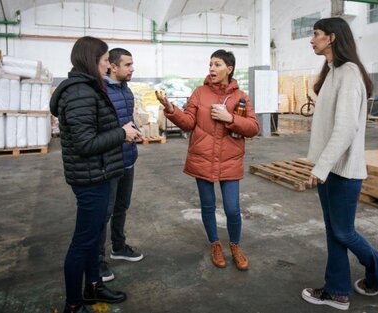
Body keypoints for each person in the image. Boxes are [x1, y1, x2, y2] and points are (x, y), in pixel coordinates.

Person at [301, 18, 378, 311]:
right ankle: (337, 291)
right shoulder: (333, 72)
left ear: (331, 38)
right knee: (335, 231)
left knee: (343, 232)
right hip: (330, 168)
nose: (312, 40)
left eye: (316, 34)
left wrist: (321, 168)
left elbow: (346, 129)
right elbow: (334, 120)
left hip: (341, 170)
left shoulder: (350, 73)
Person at [50, 36, 141, 313]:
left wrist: (120, 134)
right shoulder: (80, 92)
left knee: (93, 235)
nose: (107, 66)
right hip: (91, 177)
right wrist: (122, 133)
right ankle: (74, 303)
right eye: (104, 61)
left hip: (100, 172)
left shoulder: (90, 88)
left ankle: (93, 286)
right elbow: (85, 143)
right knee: (84, 241)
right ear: (93, 61)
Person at [155, 49, 260, 271]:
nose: (212, 68)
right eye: (210, 64)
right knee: (208, 205)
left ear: (229, 69)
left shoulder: (241, 97)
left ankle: (235, 245)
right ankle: (215, 244)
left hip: (229, 159)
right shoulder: (199, 93)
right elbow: (187, 122)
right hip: (202, 157)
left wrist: (230, 118)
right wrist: (169, 108)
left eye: (217, 64)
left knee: (232, 209)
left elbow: (253, 128)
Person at [99, 48, 144, 283]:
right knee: (104, 212)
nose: (132, 69)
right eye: (127, 65)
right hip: (110, 162)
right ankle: (97, 260)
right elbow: (101, 129)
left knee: (121, 206)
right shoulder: (101, 91)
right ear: (112, 67)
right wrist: (121, 134)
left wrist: (136, 132)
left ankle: (118, 246)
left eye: (132, 64)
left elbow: (128, 121)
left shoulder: (126, 91)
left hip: (129, 158)